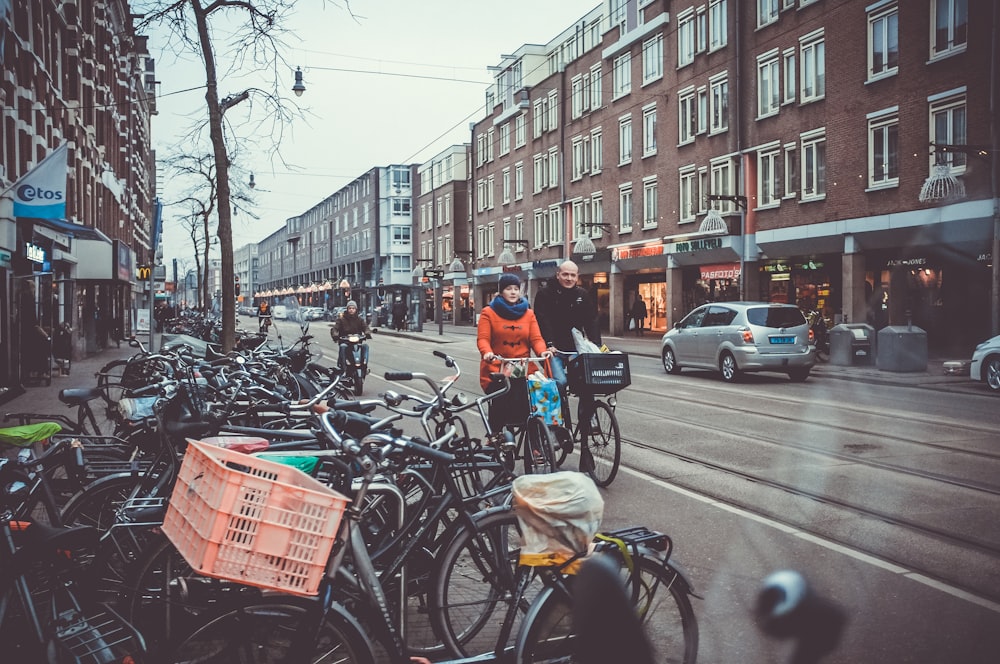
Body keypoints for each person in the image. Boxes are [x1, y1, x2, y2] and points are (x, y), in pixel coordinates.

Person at [534, 260, 602, 453]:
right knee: (559, 383)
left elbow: (591, 320)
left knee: (587, 381)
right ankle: (555, 427)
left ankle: (588, 417)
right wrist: (549, 344)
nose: (569, 278)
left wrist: (595, 345)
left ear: (577, 276)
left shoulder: (582, 295)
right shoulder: (544, 294)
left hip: (575, 349)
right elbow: (542, 320)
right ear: (558, 275)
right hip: (553, 349)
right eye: (565, 274)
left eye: (573, 275)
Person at [477, 273, 551, 431]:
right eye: (508, 288)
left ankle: (535, 442)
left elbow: (536, 338)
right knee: (501, 398)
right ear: (501, 292)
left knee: (534, 400)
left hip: (523, 368)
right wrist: (487, 353)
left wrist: (542, 352)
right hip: (497, 367)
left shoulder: (528, 313)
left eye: (516, 289)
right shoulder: (488, 313)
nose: (513, 292)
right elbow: (483, 338)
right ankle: (495, 435)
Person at [330, 300, 372, 370]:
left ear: (356, 309)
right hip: (345, 342)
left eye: (353, 308)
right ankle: (343, 367)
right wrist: (335, 335)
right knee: (343, 346)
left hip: (357, 342)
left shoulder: (360, 319)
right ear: (347, 309)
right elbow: (335, 328)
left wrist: (367, 333)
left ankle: (364, 365)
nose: (351, 310)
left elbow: (365, 327)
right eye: (350, 308)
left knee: (365, 346)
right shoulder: (341, 320)